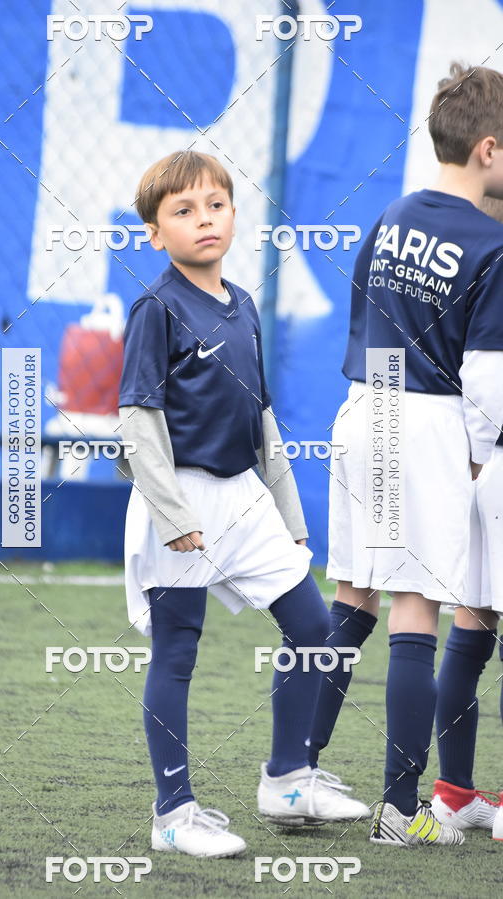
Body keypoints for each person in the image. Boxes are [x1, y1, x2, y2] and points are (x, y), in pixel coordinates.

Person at [118, 150, 368, 859]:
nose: (204, 220)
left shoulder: (246, 305)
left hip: (245, 498)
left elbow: (262, 422)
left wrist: (290, 520)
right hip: (180, 501)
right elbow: (138, 423)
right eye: (183, 210)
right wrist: (176, 515)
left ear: (234, 213)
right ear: (155, 232)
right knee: (176, 651)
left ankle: (288, 777)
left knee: (315, 627)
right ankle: (173, 813)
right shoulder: (156, 307)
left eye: (216, 205)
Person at [310, 62, 503, 846]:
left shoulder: (390, 216)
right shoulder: (493, 244)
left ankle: (295, 771)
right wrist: (478, 458)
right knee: (416, 608)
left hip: (362, 407)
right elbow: (488, 381)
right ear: (489, 149)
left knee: (352, 600)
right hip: (425, 421)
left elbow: (359, 327)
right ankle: (400, 809)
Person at [431, 195, 503, 837]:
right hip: (492, 463)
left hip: (484, 467)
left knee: (473, 622)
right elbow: (487, 375)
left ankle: (453, 795)